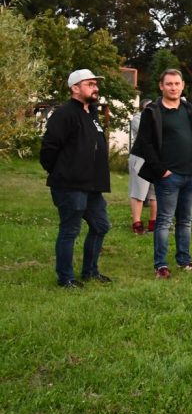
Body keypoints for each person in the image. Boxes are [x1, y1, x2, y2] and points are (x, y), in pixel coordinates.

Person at [39, 69, 113, 288]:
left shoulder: (91, 113)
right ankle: (66, 278)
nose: (95, 87)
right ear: (75, 88)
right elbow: (48, 150)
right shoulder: (64, 114)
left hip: (92, 186)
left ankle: (90, 272)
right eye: (90, 84)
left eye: (95, 84)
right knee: (70, 230)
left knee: (101, 225)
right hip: (69, 185)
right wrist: (62, 172)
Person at [131, 69, 192, 278]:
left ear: (182, 85)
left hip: (190, 175)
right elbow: (144, 144)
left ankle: (184, 260)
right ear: (161, 86)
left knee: (185, 220)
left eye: (177, 83)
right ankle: (161, 265)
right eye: (169, 84)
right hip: (168, 177)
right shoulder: (153, 112)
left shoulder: (188, 109)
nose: (173, 87)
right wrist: (161, 170)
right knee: (164, 221)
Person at [128, 98, 157, 234]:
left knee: (155, 193)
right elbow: (148, 134)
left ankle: (153, 223)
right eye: (149, 107)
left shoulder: (158, 118)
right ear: (143, 108)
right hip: (140, 158)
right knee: (139, 192)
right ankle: (137, 224)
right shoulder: (137, 118)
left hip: (156, 159)